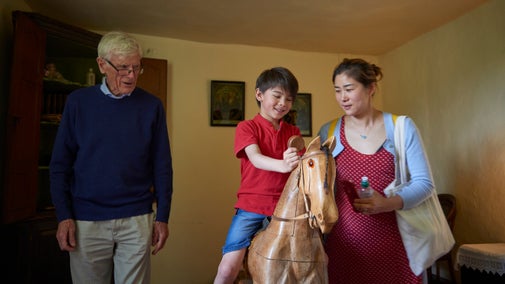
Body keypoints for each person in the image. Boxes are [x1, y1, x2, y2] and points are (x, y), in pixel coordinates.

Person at [50, 31, 173, 284]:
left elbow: (162, 165)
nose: (130, 75)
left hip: (137, 217)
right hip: (86, 218)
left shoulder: (152, 106)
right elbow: (60, 165)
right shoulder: (78, 103)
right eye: (123, 67)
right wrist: (64, 216)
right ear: (102, 64)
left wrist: (162, 216)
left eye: (136, 67)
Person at [318, 58, 434, 284]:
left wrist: (387, 203)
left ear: (371, 88)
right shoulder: (328, 132)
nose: (343, 97)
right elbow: (319, 188)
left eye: (349, 89)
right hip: (344, 245)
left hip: (396, 244)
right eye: (338, 90)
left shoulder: (401, 127)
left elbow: (424, 183)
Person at [214, 67, 303, 284]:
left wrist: (299, 162)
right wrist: (283, 164)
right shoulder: (247, 127)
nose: (283, 103)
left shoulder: (294, 132)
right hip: (251, 208)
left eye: (289, 99)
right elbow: (255, 157)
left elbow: (300, 171)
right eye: (277, 96)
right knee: (227, 270)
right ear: (259, 94)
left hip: (286, 210)